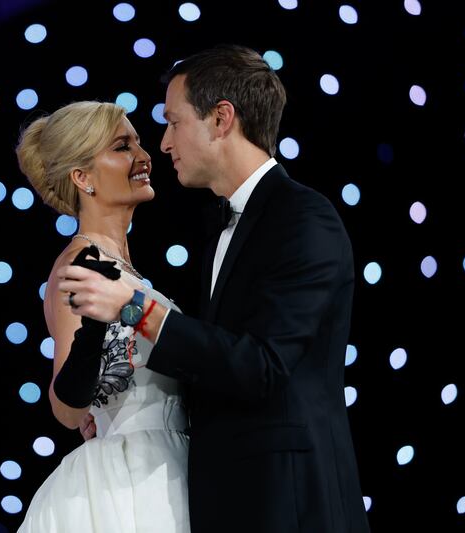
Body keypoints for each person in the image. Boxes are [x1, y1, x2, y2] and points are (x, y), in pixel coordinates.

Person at [58, 45, 371, 532]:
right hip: (205, 494)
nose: (162, 145)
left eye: (173, 122)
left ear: (221, 118)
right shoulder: (219, 232)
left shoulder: (302, 218)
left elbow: (262, 366)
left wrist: (138, 312)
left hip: (288, 502)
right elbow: (213, 362)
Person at [15, 101, 191, 532]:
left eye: (138, 142)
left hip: (167, 462)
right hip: (130, 482)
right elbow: (67, 408)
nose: (143, 156)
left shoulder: (123, 268)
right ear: (83, 178)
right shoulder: (81, 264)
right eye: (122, 146)